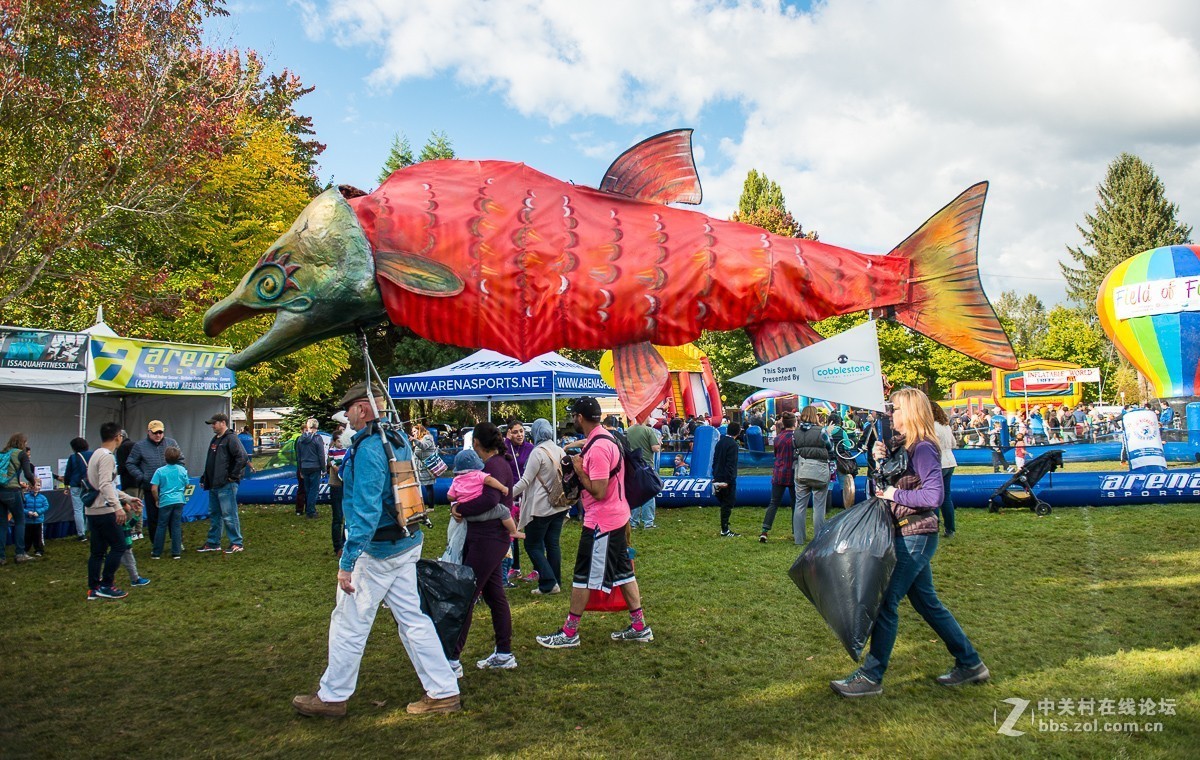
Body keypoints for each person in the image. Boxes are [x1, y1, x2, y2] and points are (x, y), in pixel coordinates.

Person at [292, 381, 460, 718]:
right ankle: (444, 690)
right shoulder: (395, 438)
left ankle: (332, 696)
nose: (347, 418)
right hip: (405, 541)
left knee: (349, 623)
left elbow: (366, 513)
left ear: (362, 409)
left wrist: (347, 562)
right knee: (413, 619)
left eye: (349, 411)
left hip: (378, 550)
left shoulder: (369, 448)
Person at [830, 387, 988, 698]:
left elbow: (933, 496)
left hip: (915, 533)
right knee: (927, 603)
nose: (891, 414)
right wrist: (879, 460)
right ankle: (970, 663)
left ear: (912, 412)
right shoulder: (905, 446)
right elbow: (884, 487)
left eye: (896, 409)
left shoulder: (924, 448)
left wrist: (894, 493)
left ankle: (871, 676)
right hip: (906, 532)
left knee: (885, 603)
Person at [536, 396, 653, 648]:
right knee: (623, 573)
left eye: (573, 416)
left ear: (579, 417)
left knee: (584, 576)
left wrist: (578, 469)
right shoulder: (605, 437)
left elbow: (599, 490)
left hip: (602, 524)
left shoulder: (599, 448)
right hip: (615, 517)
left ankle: (569, 632)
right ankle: (639, 626)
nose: (572, 419)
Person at [447, 423, 517, 672]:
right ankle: (504, 653)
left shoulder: (493, 466)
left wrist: (460, 508)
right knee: (494, 595)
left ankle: (452, 660)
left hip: (488, 539)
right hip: (489, 538)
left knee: (466, 593)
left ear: (476, 442)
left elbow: (490, 499)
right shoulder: (496, 464)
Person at [86, 423, 143, 599]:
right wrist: (118, 507)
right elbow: (105, 485)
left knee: (98, 551)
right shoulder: (107, 457)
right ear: (118, 437)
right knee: (119, 546)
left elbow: (104, 485)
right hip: (104, 510)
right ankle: (106, 584)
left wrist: (127, 498)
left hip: (93, 510)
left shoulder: (96, 454)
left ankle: (93, 588)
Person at [512, 418, 569, 595]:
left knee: (532, 545)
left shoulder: (537, 453)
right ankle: (556, 580)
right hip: (559, 505)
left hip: (541, 508)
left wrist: (506, 494)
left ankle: (549, 583)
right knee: (553, 544)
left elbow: (525, 481)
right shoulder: (560, 450)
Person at [197, 412, 248, 554]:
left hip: (226, 484)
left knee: (229, 515)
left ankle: (236, 543)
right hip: (214, 484)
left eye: (214, 423)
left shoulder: (231, 438)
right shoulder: (215, 439)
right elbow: (210, 461)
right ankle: (213, 542)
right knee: (215, 515)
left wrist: (233, 476)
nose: (212, 426)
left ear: (223, 423)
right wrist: (205, 477)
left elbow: (242, 457)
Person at [447, 449, 523, 541]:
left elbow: (450, 497)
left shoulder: (456, 480)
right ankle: (513, 531)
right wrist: (503, 488)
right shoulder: (478, 474)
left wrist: (456, 502)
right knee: (504, 511)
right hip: (482, 512)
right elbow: (489, 480)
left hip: (467, 516)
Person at [126, 420, 180, 549]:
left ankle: (177, 543)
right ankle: (156, 544)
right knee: (154, 518)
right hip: (150, 487)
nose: (158, 435)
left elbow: (180, 459)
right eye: (155, 432)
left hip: (170, 487)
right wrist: (142, 477)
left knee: (173, 517)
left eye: (160, 432)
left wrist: (175, 474)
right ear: (149, 432)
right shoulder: (140, 446)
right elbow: (130, 463)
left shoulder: (171, 443)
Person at [793, 406, 833, 544]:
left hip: (802, 469)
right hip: (819, 470)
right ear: (815, 415)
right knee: (819, 506)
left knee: (800, 505)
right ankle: (819, 539)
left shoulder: (796, 432)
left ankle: (799, 539)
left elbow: (794, 447)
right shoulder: (822, 431)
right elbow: (830, 448)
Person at [501, 419, 535, 584]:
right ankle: (515, 567)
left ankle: (537, 568)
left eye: (521, 431)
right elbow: (499, 455)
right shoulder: (505, 448)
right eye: (515, 432)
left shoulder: (530, 448)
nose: (519, 435)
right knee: (512, 532)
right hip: (512, 496)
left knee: (532, 532)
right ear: (509, 433)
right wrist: (507, 441)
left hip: (527, 495)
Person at [1, 433, 38, 564]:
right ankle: (20, 553)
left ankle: (1, 556)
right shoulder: (21, 454)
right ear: (22, 443)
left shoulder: (2, 453)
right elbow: (28, 474)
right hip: (13, 491)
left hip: (0, 490)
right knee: (20, 521)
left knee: (2, 524)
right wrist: (33, 483)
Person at [760, 411, 795, 542]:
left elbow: (776, 454)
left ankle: (764, 531)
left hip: (779, 472)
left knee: (774, 503)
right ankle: (796, 531)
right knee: (796, 504)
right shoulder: (796, 438)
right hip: (793, 473)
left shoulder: (778, 438)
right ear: (794, 423)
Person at [150, 446, 189, 559]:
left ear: (165, 457)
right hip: (179, 500)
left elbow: (153, 489)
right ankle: (176, 552)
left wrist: (157, 499)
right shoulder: (182, 470)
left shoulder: (160, 471)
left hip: (165, 500)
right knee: (176, 526)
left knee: (161, 525)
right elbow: (187, 485)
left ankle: (156, 552)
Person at [625, 418, 660, 529]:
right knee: (649, 493)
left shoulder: (629, 430)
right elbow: (655, 448)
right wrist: (659, 443)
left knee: (634, 493)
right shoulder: (649, 430)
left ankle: (633, 522)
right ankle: (648, 523)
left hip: (632, 465)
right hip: (646, 465)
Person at [931, 404, 958, 540]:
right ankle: (950, 528)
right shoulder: (945, 426)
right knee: (946, 497)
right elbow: (954, 443)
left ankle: (934, 528)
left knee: (934, 497)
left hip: (938, 462)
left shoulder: (932, 427)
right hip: (950, 461)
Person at [57, 437, 93, 541]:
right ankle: (92, 530)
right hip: (90, 485)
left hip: (76, 485)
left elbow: (68, 473)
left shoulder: (73, 457)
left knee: (78, 510)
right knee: (91, 508)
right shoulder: (93, 454)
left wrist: (66, 485)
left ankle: (81, 534)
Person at [712, 421, 741, 537]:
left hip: (718, 475)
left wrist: (715, 475)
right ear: (738, 432)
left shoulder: (720, 442)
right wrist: (729, 480)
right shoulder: (733, 445)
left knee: (724, 502)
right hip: (727, 478)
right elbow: (731, 464)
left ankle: (725, 527)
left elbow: (715, 459)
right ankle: (725, 529)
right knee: (728, 503)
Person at [295, 419, 326, 519]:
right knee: (314, 490)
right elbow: (321, 455)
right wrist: (323, 468)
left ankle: (309, 509)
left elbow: (298, 456)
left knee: (307, 489)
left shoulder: (300, 439)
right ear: (316, 427)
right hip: (315, 466)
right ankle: (311, 511)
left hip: (304, 466)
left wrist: (300, 469)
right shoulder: (318, 438)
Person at [826, 413, 857, 509]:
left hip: (829, 461)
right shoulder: (842, 432)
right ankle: (846, 506)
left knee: (829, 485)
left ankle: (827, 507)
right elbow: (848, 446)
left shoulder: (825, 431)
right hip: (841, 461)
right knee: (843, 484)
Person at [409, 422, 439, 507]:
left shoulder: (427, 437)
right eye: (412, 432)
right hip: (419, 467)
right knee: (423, 486)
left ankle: (431, 506)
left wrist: (414, 440)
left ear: (420, 430)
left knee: (428, 486)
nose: (413, 433)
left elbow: (424, 446)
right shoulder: (418, 440)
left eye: (414, 431)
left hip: (427, 466)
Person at [23, 479, 49, 557]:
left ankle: (39, 550)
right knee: (27, 537)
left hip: (38, 521)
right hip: (28, 521)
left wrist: (38, 512)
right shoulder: (25, 497)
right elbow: (22, 507)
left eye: (38, 485)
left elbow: (46, 506)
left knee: (38, 537)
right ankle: (25, 550)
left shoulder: (43, 498)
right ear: (30, 487)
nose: (36, 487)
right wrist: (28, 512)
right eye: (34, 485)